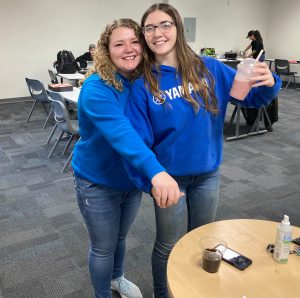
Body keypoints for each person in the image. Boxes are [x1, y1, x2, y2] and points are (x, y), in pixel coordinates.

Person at [124, 4, 281, 298]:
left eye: (165, 25)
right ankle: (163, 293)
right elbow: (136, 142)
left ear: (178, 28)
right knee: (168, 245)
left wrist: (271, 83)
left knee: (203, 240)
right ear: (144, 34)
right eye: (150, 28)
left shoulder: (208, 67)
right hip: (170, 181)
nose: (158, 33)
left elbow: (248, 98)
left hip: (208, 175)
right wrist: (151, 180)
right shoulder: (144, 84)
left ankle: (196, 291)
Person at [72, 18, 183, 298]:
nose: (129, 49)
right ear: (106, 50)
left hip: (129, 180)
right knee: (103, 246)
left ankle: (117, 278)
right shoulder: (97, 87)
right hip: (97, 182)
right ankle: (102, 294)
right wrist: (156, 172)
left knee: (120, 238)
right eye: (119, 44)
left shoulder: (141, 82)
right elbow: (123, 134)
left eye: (134, 41)